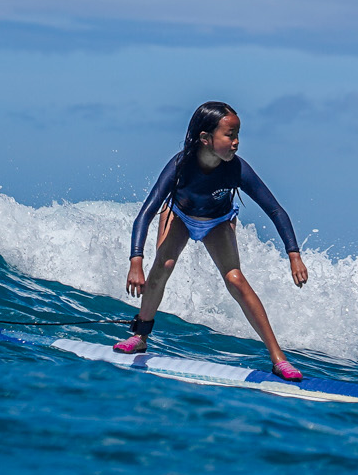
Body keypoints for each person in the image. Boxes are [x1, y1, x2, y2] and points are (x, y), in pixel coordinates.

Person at [121, 101, 311, 380]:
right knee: (164, 265)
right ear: (206, 138)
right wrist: (135, 260)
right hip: (180, 216)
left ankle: (278, 358)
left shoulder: (237, 169)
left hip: (218, 222)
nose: (236, 142)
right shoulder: (180, 165)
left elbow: (275, 210)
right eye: (230, 135)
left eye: (237, 135)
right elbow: (147, 212)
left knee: (235, 279)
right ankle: (140, 336)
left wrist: (293, 254)